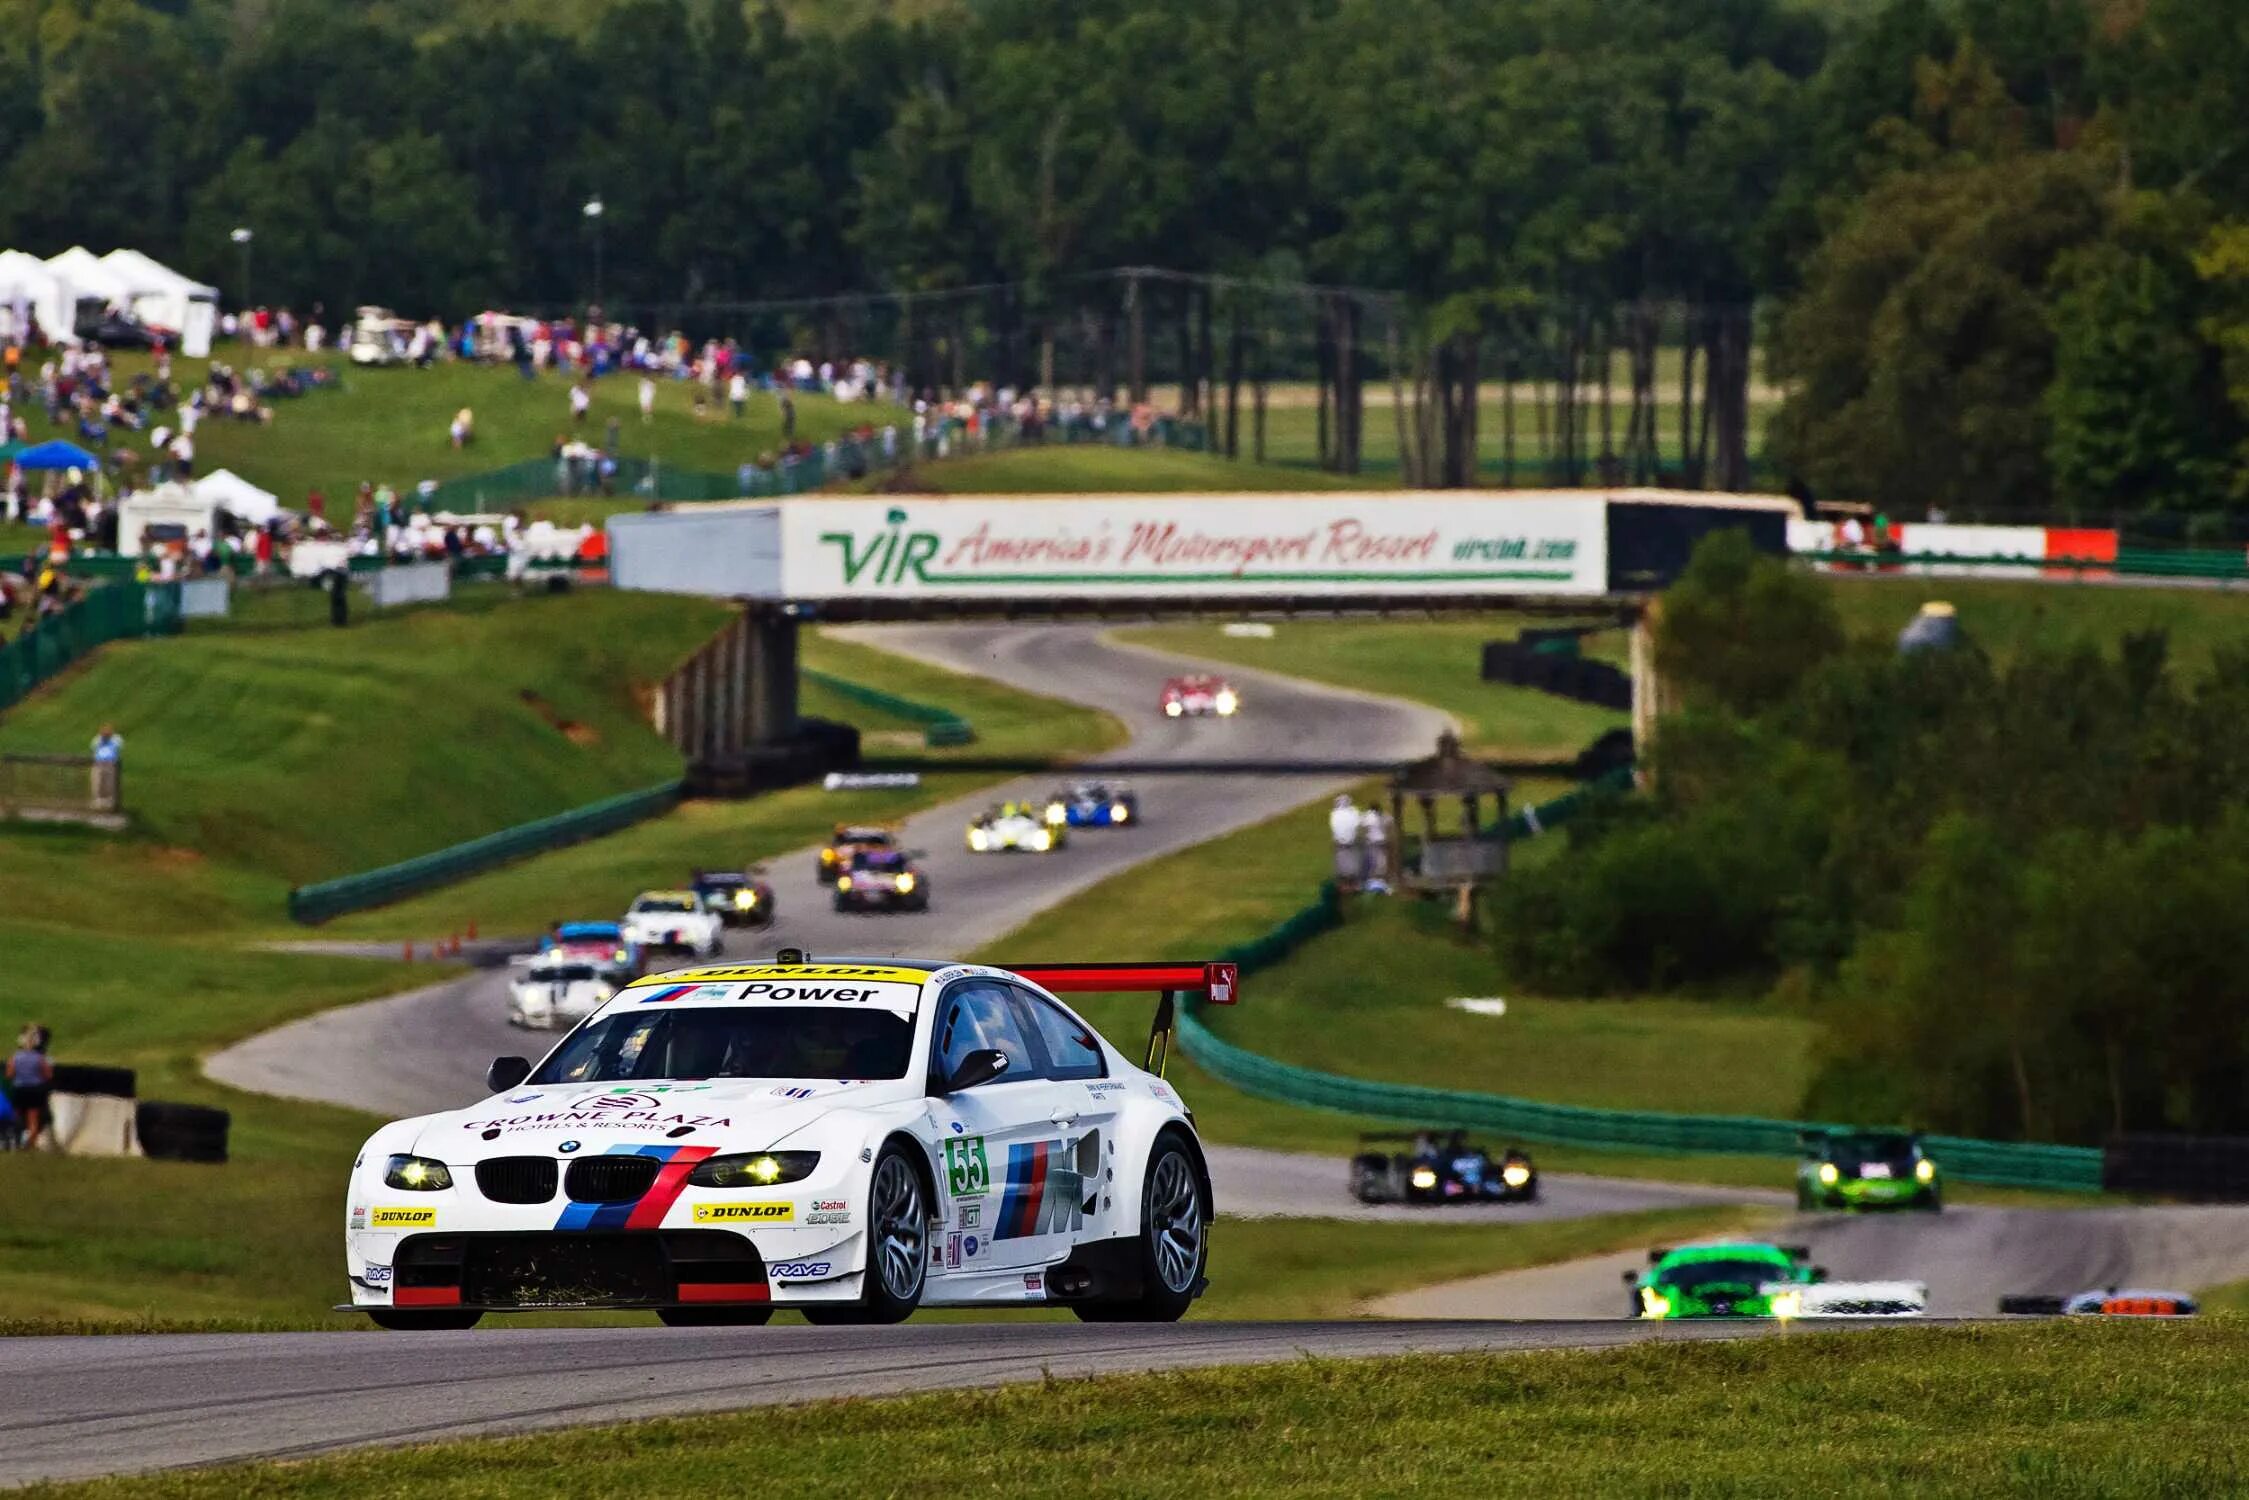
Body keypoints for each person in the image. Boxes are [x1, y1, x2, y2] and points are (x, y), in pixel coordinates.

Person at [8, 1025, 52, 1151]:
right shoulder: (40, 1058)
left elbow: (9, 1074)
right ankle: (29, 1145)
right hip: (35, 1090)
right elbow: (48, 1075)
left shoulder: (15, 1057)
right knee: (33, 1119)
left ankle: (14, 1141)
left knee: (16, 1116)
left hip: (19, 1088)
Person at [1328, 793, 1362, 890]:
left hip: (1341, 843)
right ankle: (1351, 882)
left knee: (1342, 862)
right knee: (1351, 862)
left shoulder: (1335, 813)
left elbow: (1334, 828)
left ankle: (1344, 883)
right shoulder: (1354, 812)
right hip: (1351, 842)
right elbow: (1357, 825)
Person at [1358, 803, 1392, 894]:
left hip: (1374, 842)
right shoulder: (1384, 815)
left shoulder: (1368, 816)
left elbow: (1362, 826)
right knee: (1381, 862)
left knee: (1374, 861)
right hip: (1381, 842)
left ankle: (1375, 881)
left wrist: (1365, 835)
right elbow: (1390, 824)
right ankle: (1380, 881)